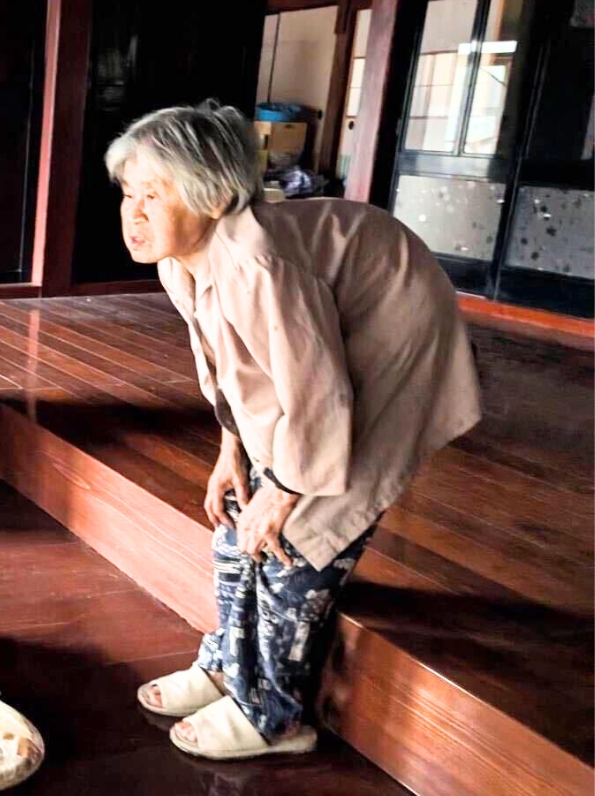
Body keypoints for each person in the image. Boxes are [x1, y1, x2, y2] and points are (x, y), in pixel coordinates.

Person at [112, 103, 483, 759]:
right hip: (325, 355)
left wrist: (280, 492)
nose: (133, 213)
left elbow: (319, 391)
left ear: (219, 197)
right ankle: (230, 665)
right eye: (127, 193)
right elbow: (232, 368)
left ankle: (276, 718)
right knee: (236, 527)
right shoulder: (181, 260)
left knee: (298, 537)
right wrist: (233, 453)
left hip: (392, 336)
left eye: (154, 195)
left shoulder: (256, 264)